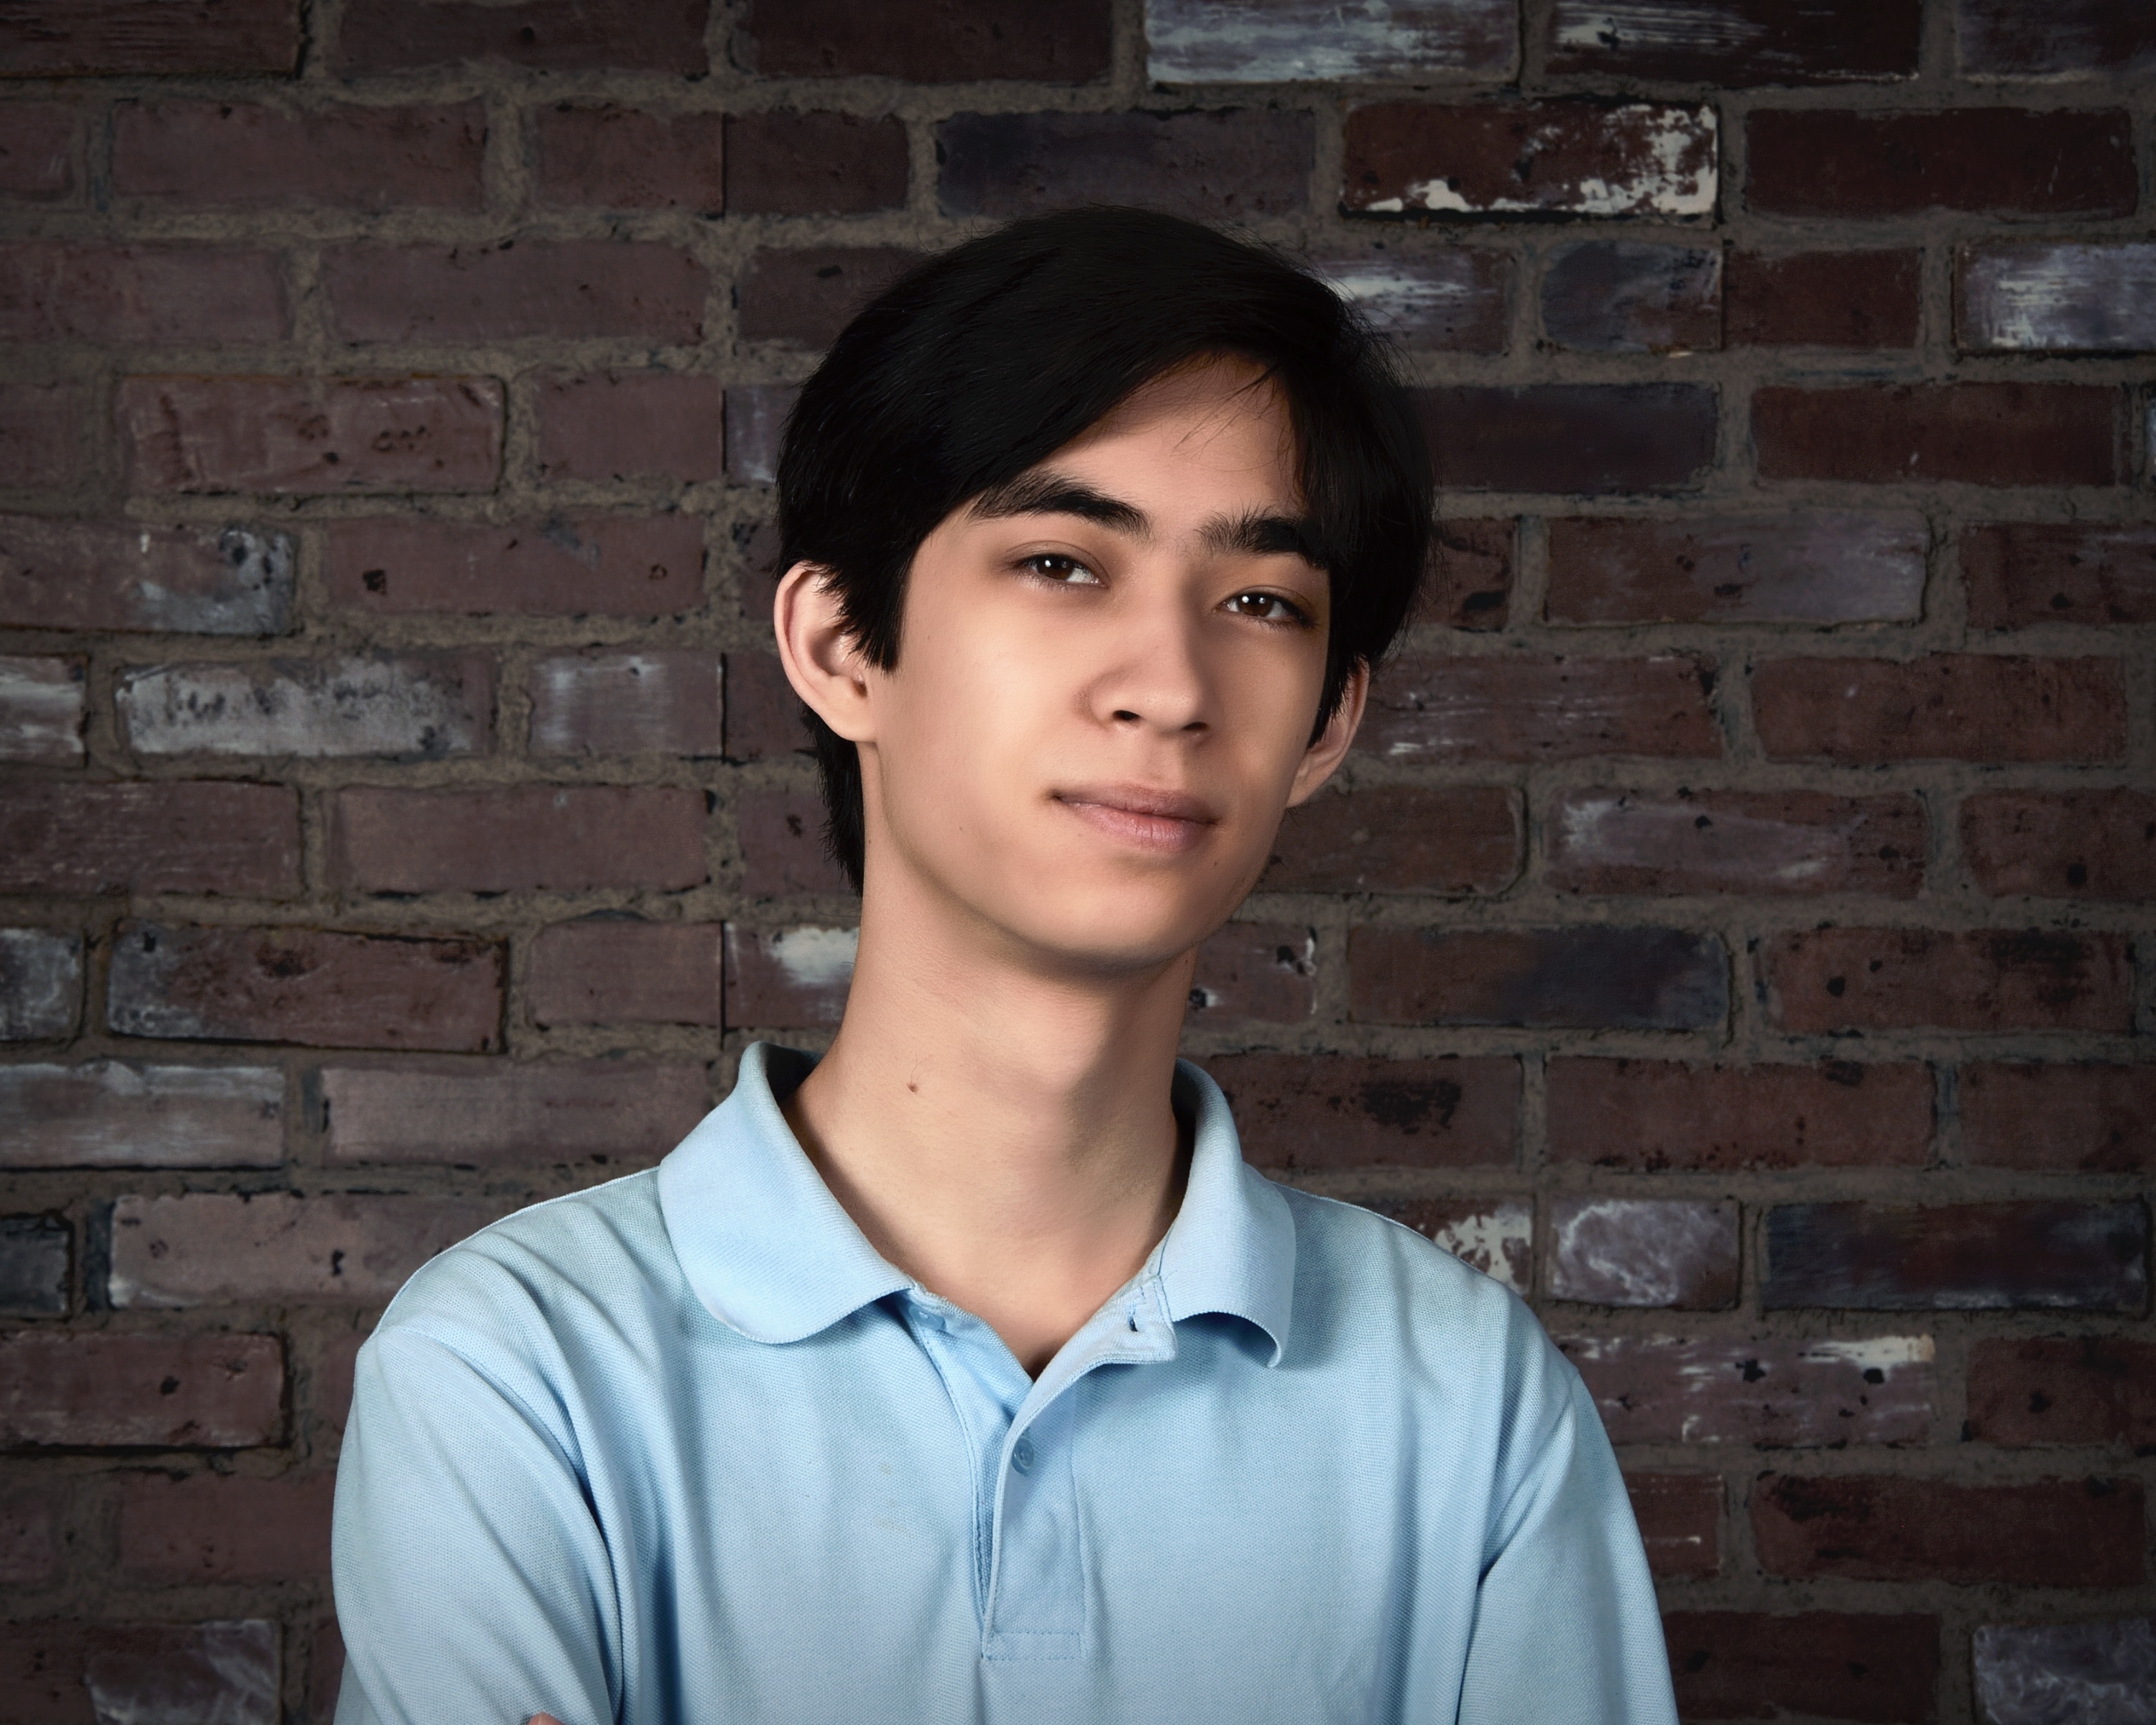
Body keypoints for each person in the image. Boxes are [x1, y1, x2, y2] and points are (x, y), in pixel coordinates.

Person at [331, 208, 1677, 1725]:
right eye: (1061, 562)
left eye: (1260, 603)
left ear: (1329, 723)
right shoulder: (524, 1375)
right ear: (844, 646)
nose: (1170, 685)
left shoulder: (1471, 1404)